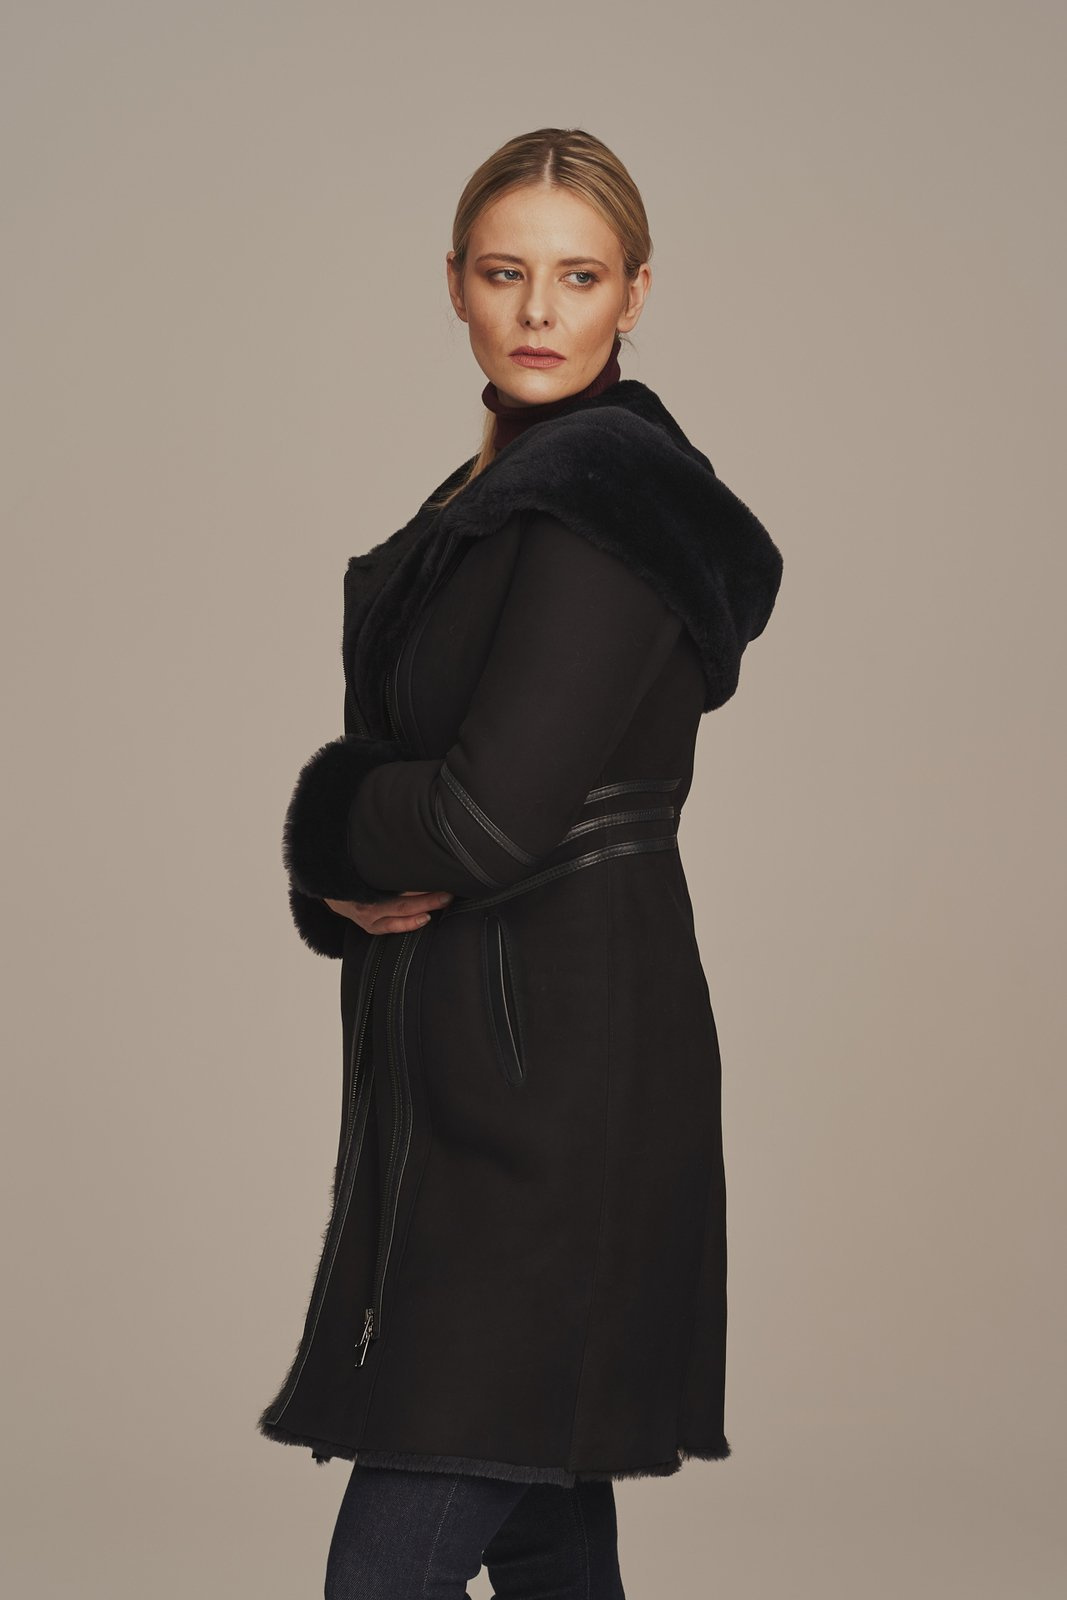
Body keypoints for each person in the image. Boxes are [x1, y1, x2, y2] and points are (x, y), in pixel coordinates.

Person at [257, 126, 784, 1599]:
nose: (539, 311)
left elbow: (488, 820)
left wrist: (329, 821)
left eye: (579, 276)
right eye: (505, 274)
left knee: (400, 1556)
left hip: (556, 1096)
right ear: (456, 285)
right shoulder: (487, 493)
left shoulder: (608, 503)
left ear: (637, 292)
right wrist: (349, 868)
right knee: (549, 1539)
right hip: (478, 1070)